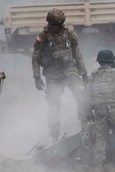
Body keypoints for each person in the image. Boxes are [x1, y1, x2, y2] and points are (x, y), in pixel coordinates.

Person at [31, 8, 88, 143]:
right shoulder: (43, 36)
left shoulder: (69, 34)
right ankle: (54, 137)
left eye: (56, 24)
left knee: (82, 94)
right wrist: (37, 77)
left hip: (69, 71)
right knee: (54, 104)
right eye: (51, 24)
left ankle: (86, 127)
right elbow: (35, 57)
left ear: (62, 23)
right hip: (52, 74)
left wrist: (83, 73)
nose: (53, 27)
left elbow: (77, 54)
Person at [85, 49, 115, 169]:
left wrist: (88, 113)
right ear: (111, 61)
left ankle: (99, 169)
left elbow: (86, 96)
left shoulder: (93, 76)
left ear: (99, 61)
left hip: (99, 112)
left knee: (100, 140)